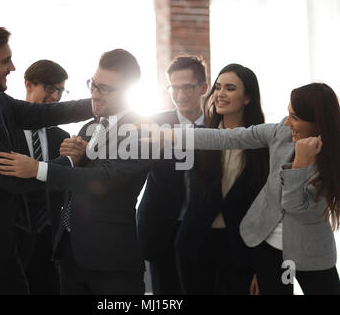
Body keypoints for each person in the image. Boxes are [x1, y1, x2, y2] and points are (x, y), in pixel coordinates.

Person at [0, 25, 92, 294]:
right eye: (5, 60)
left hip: (4, 247)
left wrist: (96, 105)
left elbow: (42, 115)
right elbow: (12, 179)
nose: (12, 67)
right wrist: (68, 162)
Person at [0, 49, 155, 295]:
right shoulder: (89, 128)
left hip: (111, 262)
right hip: (68, 255)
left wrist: (38, 168)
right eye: (93, 84)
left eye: (105, 89)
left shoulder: (144, 130)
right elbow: (68, 187)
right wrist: (72, 160)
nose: (95, 94)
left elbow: (104, 179)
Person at [168, 82, 340, 295]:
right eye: (288, 113)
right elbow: (228, 137)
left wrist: (301, 164)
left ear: (317, 122)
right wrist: (174, 135)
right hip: (267, 249)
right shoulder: (281, 133)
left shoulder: (332, 160)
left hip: (312, 252)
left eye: (295, 117)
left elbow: (295, 207)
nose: (287, 122)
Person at [175, 64, 269, 294]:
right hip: (195, 244)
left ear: (247, 97)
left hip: (241, 248)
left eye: (229, 88)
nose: (220, 94)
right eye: (217, 87)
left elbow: (269, 209)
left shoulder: (263, 146)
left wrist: (262, 266)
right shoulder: (200, 138)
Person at [137, 55, 208, 294]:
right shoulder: (152, 124)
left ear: (203, 88)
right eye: (173, 88)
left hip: (206, 231)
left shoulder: (219, 126)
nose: (180, 95)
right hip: (162, 231)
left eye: (187, 87)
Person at [14, 60, 73, 295]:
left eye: (60, 90)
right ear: (28, 84)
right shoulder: (5, 131)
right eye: (50, 89)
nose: (56, 97)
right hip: (14, 238)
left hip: (51, 239)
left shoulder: (62, 136)